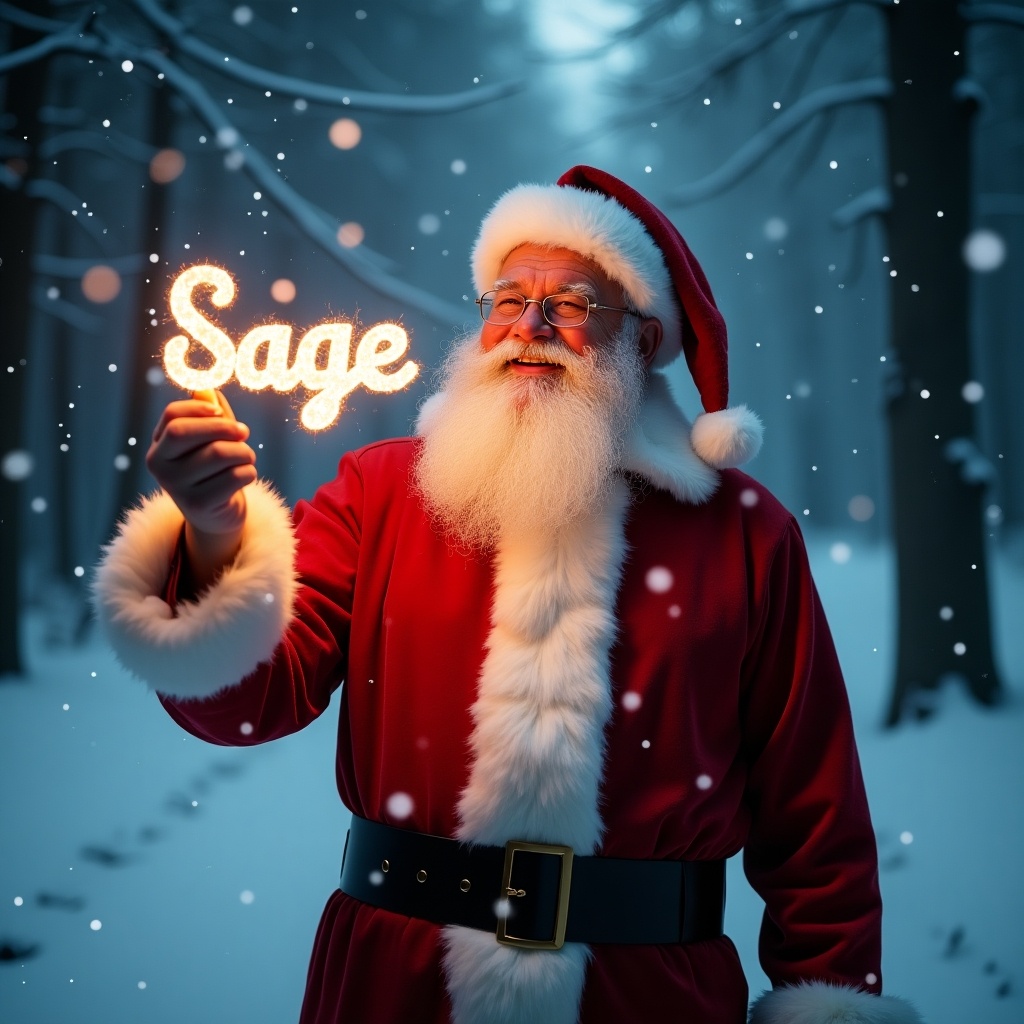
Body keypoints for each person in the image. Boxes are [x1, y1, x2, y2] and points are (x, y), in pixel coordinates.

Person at [93, 166, 920, 1024]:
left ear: (641, 340)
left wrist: (827, 1001)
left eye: (571, 306)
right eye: (507, 299)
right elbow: (249, 703)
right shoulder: (380, 494)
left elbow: (814, 818)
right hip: (395, 985)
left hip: (647, 997)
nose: (530, 327)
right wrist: (215, 538)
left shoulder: (745, 534)